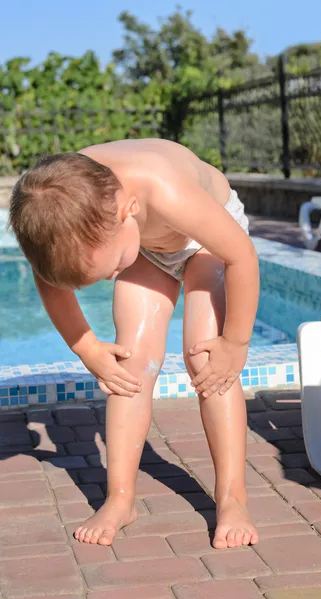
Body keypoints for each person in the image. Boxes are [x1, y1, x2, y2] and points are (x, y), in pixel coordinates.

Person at [10, 138, 260, 548]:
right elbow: (52, 282)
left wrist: (236, 342)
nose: (112, 278)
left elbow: (242, 257)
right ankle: (120, 498)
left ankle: (233, 497)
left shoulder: (163, 189)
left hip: (207, 242)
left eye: (112, 268)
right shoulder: (66, 209)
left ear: (127, 213)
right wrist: (87, 347)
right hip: (145, 244)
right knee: (131, 364)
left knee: (207, 355)